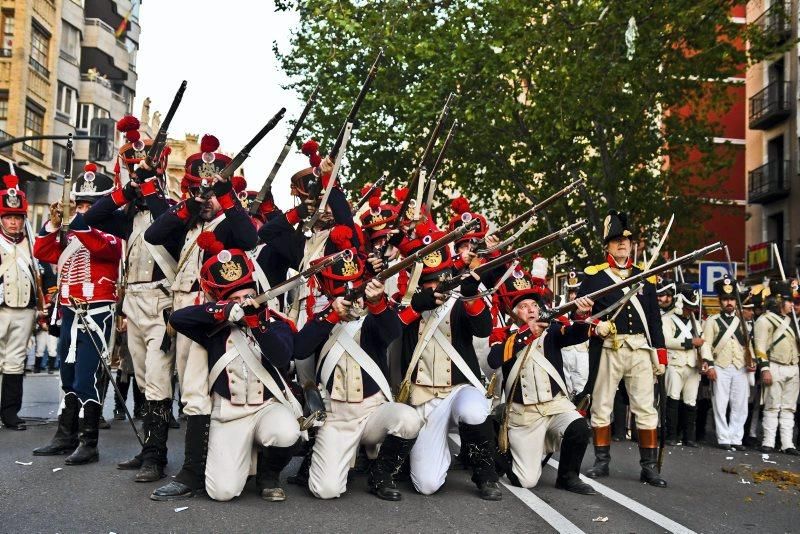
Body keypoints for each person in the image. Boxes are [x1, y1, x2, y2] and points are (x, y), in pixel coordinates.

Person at [145, 134, 257, 500]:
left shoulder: (228, 224)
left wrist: (225, 194)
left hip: (214, 314)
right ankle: (160, 456)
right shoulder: (184, 222)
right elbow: (153, 233)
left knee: (196, 390)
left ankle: (193, 472)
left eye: (210, 195)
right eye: (200, 192)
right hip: (180, 309)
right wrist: (187, 206)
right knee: (173, 382)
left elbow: (248, 238)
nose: (206, 201)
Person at [293, 229, 422, 501]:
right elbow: (300, 348)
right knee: (326, 491)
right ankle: (320, 456)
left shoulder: (373, 314)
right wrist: (330, 317)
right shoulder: (320, 317)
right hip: (336, 415)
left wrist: (376, 303)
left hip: (373, 410)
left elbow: (392, 333)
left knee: (409, 419)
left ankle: (382, 474)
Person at [84, 114, 177, 482]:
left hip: (160, 301)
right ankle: (148, 449)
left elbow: (167, 223)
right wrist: (126, 191)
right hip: (133, 303)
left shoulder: (169, 209)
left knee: (157, 378)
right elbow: (89, 218)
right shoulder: (128, 218)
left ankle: (157, 455)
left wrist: (151, 189)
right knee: (142, 379)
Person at [168, 244, 301, 501]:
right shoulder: (213, 327)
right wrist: (222, 311)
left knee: (288, 432)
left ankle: (268, 475)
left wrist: (257, 323)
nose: (243, 303)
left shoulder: (275, 323)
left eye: (248, 296)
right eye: (235, 299)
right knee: (223, 492)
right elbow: (178, 319)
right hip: (228, 414)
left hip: (265, 409)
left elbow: (282, 357)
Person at [396, 220, 501, 500]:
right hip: (423, 397)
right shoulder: (406, 306)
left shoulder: (459, 300)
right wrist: (420, 304)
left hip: (459, 389)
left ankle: (485, 474)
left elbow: (483, 330)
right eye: (426, 282)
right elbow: (392, 329)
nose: (433, 287)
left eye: (438, 279)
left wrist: (470, 296)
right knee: (427, 484)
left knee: (474, 412)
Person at [32, 164, 121, 464]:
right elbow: (43, 252)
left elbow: (102, 249)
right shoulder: (72, 234)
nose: (82, 210)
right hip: (69, 310)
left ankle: (89, 441)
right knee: (67, 375)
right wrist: (54, 224)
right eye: (79, 204)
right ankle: (64, 435)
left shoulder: (110, 233)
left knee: (87, 377)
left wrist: (79, 221)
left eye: (89, 206)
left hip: (96, 311)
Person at [487, 266, 595, 494]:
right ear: (513, 312)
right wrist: (528, 333)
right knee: (525, 481)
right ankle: (503, 446)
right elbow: (494, 359)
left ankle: (568, 476)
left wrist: (582, 315)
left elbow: (576, 334)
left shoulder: (553, 330)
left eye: (534, 305)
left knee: (579, 427)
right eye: (524, 306)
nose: (532, 310)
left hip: (555, 405)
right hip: (524, 414)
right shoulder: (504, 336)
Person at [578, 210, 667, 488]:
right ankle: (601, 461)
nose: (622, 244)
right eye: (616, 240)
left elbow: (653, 318)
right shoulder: (594, 276)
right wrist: (595, 325)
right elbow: (582, 314)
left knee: (645, 408)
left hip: (639, 348)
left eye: (626, 240)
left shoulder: (645, 276)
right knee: (602, 404)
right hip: (609, 347)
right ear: (607, 245)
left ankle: (649, 467)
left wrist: (660, 353)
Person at [0, 174, 39, 431]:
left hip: (25, 310)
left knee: (15, 362)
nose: (14, 223)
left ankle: (10, 413)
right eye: (9, 218)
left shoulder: (33, 243)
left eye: (18, 218)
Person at [701, 277, 752, 452]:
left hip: (740, 367)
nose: (729, 302)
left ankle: (736, 438)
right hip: (720, 366)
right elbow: (706, 344)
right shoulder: (712, 321)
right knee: (720, 403)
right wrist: (710, 366)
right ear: (720, 301)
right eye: (725, 299)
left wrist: (752, 362)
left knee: (740, 404)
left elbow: (748, 345)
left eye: (731, 299)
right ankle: (723, 437)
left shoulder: (743, 322)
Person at [754, 280, 799, 455]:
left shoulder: (793, 320)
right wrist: (765, 369)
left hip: (793, 366)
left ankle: (788, 443)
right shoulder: (764, 321)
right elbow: (760, 347)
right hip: (774, 365)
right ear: (779, 301)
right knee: (772, 406)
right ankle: (768, 441)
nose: (792, 305)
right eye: (789, 301)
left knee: (789, 407)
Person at [662, 283, 704, 447]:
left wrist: (706, 361)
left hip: (692, 365)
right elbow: (666, 341)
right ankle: (671, 436)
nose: (690, 310)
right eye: (688, 306)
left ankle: (689, 437)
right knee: (672, 399)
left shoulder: (696, 323)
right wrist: (689, 342)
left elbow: (703, 342)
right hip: (675, 364)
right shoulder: (667, 319)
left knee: (691, 402)